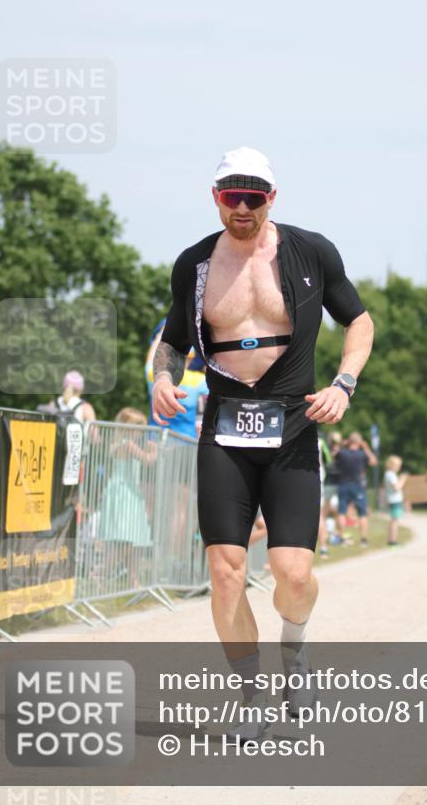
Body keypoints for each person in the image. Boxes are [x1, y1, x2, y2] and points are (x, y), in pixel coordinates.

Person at [151, 147, 374, 739]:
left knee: (292, 573)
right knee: (225, 571)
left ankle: (294, 654)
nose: (243, 206)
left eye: (255, 196)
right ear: (216, 197)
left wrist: (344, 384)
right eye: (232, 196)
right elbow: (173, 339)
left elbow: (359, 321)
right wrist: (162, 378)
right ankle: (250, 695)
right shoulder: (194, 263)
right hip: (224, 426)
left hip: (294, 427)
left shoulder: (311, 251)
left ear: (272, 198)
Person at [98, 407, 157, 587]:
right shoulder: (126, 444)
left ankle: (133, 578)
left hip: (131, 493)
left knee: (137, 538)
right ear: (127, 427)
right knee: (125, 539)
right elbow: (147, 460)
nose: (141, 432)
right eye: (138, 427)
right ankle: (100, 572)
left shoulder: (125, 444)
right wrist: (154, 451)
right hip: (123, 494)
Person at [145, 320, 208, 439]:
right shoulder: (200, 381)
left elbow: (153, 358)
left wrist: (165, 331)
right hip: (185, 446)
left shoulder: (155, 377)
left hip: (155, 442)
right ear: (190, 358)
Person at [333, 431, 377, 546]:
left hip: (343, 485)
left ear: (349, 441)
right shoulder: (362, 454)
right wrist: (366, 448)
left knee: (341, 512)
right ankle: (363, 540)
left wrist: (342, 444)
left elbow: (333, 455)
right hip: (357, 486)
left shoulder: (342, 453)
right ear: (360, 442)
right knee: (362, 513)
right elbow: (373, 461)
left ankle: (341, 538)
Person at [383, 455, 408, 545]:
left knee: (394, 520)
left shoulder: (389, 474)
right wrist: (403, 479)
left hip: (394, 500)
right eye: (397, 465)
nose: (399, 467)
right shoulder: (390, 474)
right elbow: (397, 487)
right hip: (395, 500)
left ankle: (391, 539)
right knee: (395, 521)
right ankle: (393, 541)